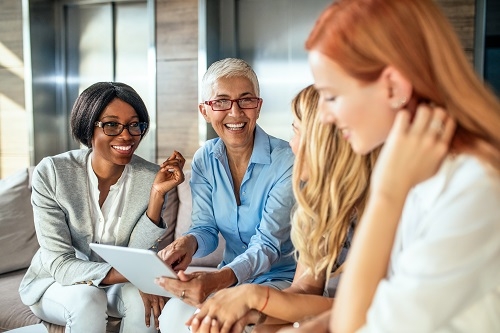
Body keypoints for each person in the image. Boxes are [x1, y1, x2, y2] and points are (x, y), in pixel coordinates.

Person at [282, 0, 500, 332]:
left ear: (394, 87)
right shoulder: (424, 169)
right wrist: (319, 324)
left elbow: (357, 327)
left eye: (332, 96)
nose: (324, 116)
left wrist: (387, 193)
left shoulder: (475, 187)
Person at [186, 85, 380, 333]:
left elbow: (374, 307)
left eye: (297, 132)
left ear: (326, 141)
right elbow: (305, 289)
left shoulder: (381, 204)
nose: (291, 145)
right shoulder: (320, 206)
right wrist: (250, 314)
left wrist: (254, 297)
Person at [18, 82, 185, 332]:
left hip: (115, 283)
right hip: (55, 283)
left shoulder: (151, 176)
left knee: (145, 305)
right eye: (111, 124)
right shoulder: (53, 172)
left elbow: (136, 254)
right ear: (88, 127)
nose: (126, 135)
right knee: (88, 299)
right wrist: (138, 276)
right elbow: (61, 264)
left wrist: (157, 195)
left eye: (134, 124)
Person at [155, 58, 297, 332]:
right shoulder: (205, 159)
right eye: (221, 102)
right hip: (231, 278)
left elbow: (267, 245)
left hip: (282, 280)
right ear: (205, 111)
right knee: (174, 316)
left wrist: (219, 279)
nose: (235, 112)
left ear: (258, 106)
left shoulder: (287, 161)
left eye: (246, 100)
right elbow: (205, 229)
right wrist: (187, 244)